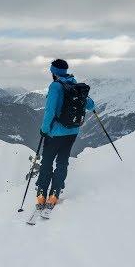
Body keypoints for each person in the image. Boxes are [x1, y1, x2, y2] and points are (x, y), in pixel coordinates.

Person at [35, 59, 95, 212]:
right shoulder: (75, 85)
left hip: (55, 133)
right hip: (72, 132)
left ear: (54, 72)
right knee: (62, 162)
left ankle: (42, 193)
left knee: (47, 162)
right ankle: (55, 193)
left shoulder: (55, 86)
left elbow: (49, 111)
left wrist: (44, 129)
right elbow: (90, 104)